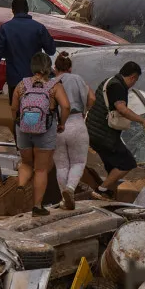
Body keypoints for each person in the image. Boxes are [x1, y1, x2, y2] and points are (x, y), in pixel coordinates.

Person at [12, 53, 71, 216]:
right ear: (48, 67)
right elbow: (66, 106)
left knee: (26, 164)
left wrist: (17, 123)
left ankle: (21, 185)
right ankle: (37, 206)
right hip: (45, 130)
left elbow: (13, 108)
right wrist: (62, 124)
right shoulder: (54, 86)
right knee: (41, 169)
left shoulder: (22, 85)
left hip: (23, 128)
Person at [86, 62, 145, 198]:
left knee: (112, 166)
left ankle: (108, 192)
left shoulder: (109, 81)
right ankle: (101, 189)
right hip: (104, 135)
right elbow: (121, 109)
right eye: (135, 80)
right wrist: (143, 121)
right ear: (133, 77)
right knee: (127, 163)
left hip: (93, 132)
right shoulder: (117, 87)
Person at [0, 0, 56, 104]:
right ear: (28, 9)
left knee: (16, 112)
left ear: (12, 10)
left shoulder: (5, 29)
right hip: (36, 80)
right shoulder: (39, 28)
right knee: (36, 111)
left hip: (15, 81)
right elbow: (51, 50)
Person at [52, 51, 95, 209]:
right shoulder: (78, 79)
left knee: (62, 165)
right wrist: (86, 109)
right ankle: (70, 189)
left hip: (57, 126)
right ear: (70, 68)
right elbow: (92, 98)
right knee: (78, 162)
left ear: (55, 68)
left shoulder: (52, 82)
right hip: (76, 122)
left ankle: (64, 199)